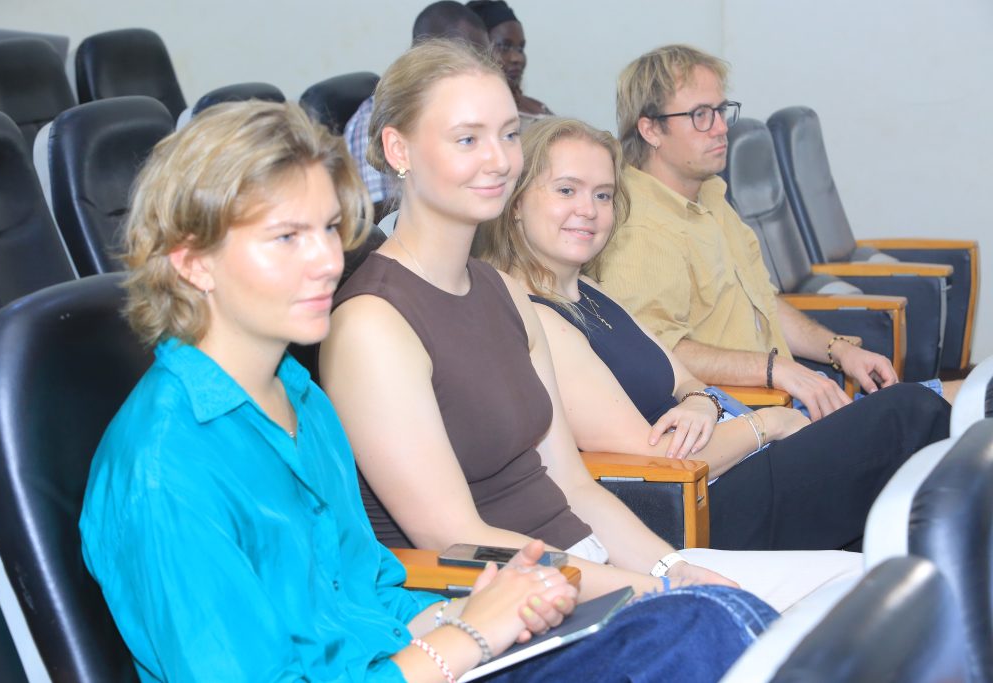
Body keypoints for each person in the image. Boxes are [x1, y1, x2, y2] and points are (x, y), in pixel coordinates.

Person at [78, 100, 775, 682]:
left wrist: (476, 608)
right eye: (286, 237)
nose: (326, 260)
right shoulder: (164, 468)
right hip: (424, 668)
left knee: (709, 620)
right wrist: (467, 636)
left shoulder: (299, 398)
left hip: (416, 658)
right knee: (703, 637)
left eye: (329, 229)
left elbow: (371, 591)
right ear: (193, 262)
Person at [321, 39, 865, 615]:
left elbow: (575, 486)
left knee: (857, 581)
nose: (499, 160)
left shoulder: (503, 291)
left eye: (509, 134)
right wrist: (655, 592)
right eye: (467, 139)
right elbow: (451, 538)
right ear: (398, 149)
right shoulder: (373, 323)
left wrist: (671, 569)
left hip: (592, 564)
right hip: (513, 602)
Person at [473, 116, 952, 552]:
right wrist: (770, 424)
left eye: (602, 195)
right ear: (515, 204)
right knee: (908, 413)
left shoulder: (592, 290)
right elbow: (649, 454)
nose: (589, 210)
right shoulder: (533, 317)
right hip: (699, 507)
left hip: (733, 457)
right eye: (566, 191)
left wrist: (701, 402)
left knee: (908, 476)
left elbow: (685, 378)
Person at [601, 44, 956, 421]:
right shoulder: (638, 227)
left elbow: (765, 303)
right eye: (701, 115)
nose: (721, 128)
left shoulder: (710, 196)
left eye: (721, 111)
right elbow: (656, 353)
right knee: (941, 408)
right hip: (744, 419)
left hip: (788, 400)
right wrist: (775, 370)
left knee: (960, 403)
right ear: (651, 129)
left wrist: (839, 349)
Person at [344, 1, 489, 222]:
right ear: (426, 52)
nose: (481, 69)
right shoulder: (377, 117)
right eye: (469, 56)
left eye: (485, 58)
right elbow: (378, 221)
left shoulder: (471, 112)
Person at [466, 0, 553, 125]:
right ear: (478, 49)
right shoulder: (470, 113)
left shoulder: (539, 108)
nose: (517, 58)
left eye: (520, 48)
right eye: (505, 47)